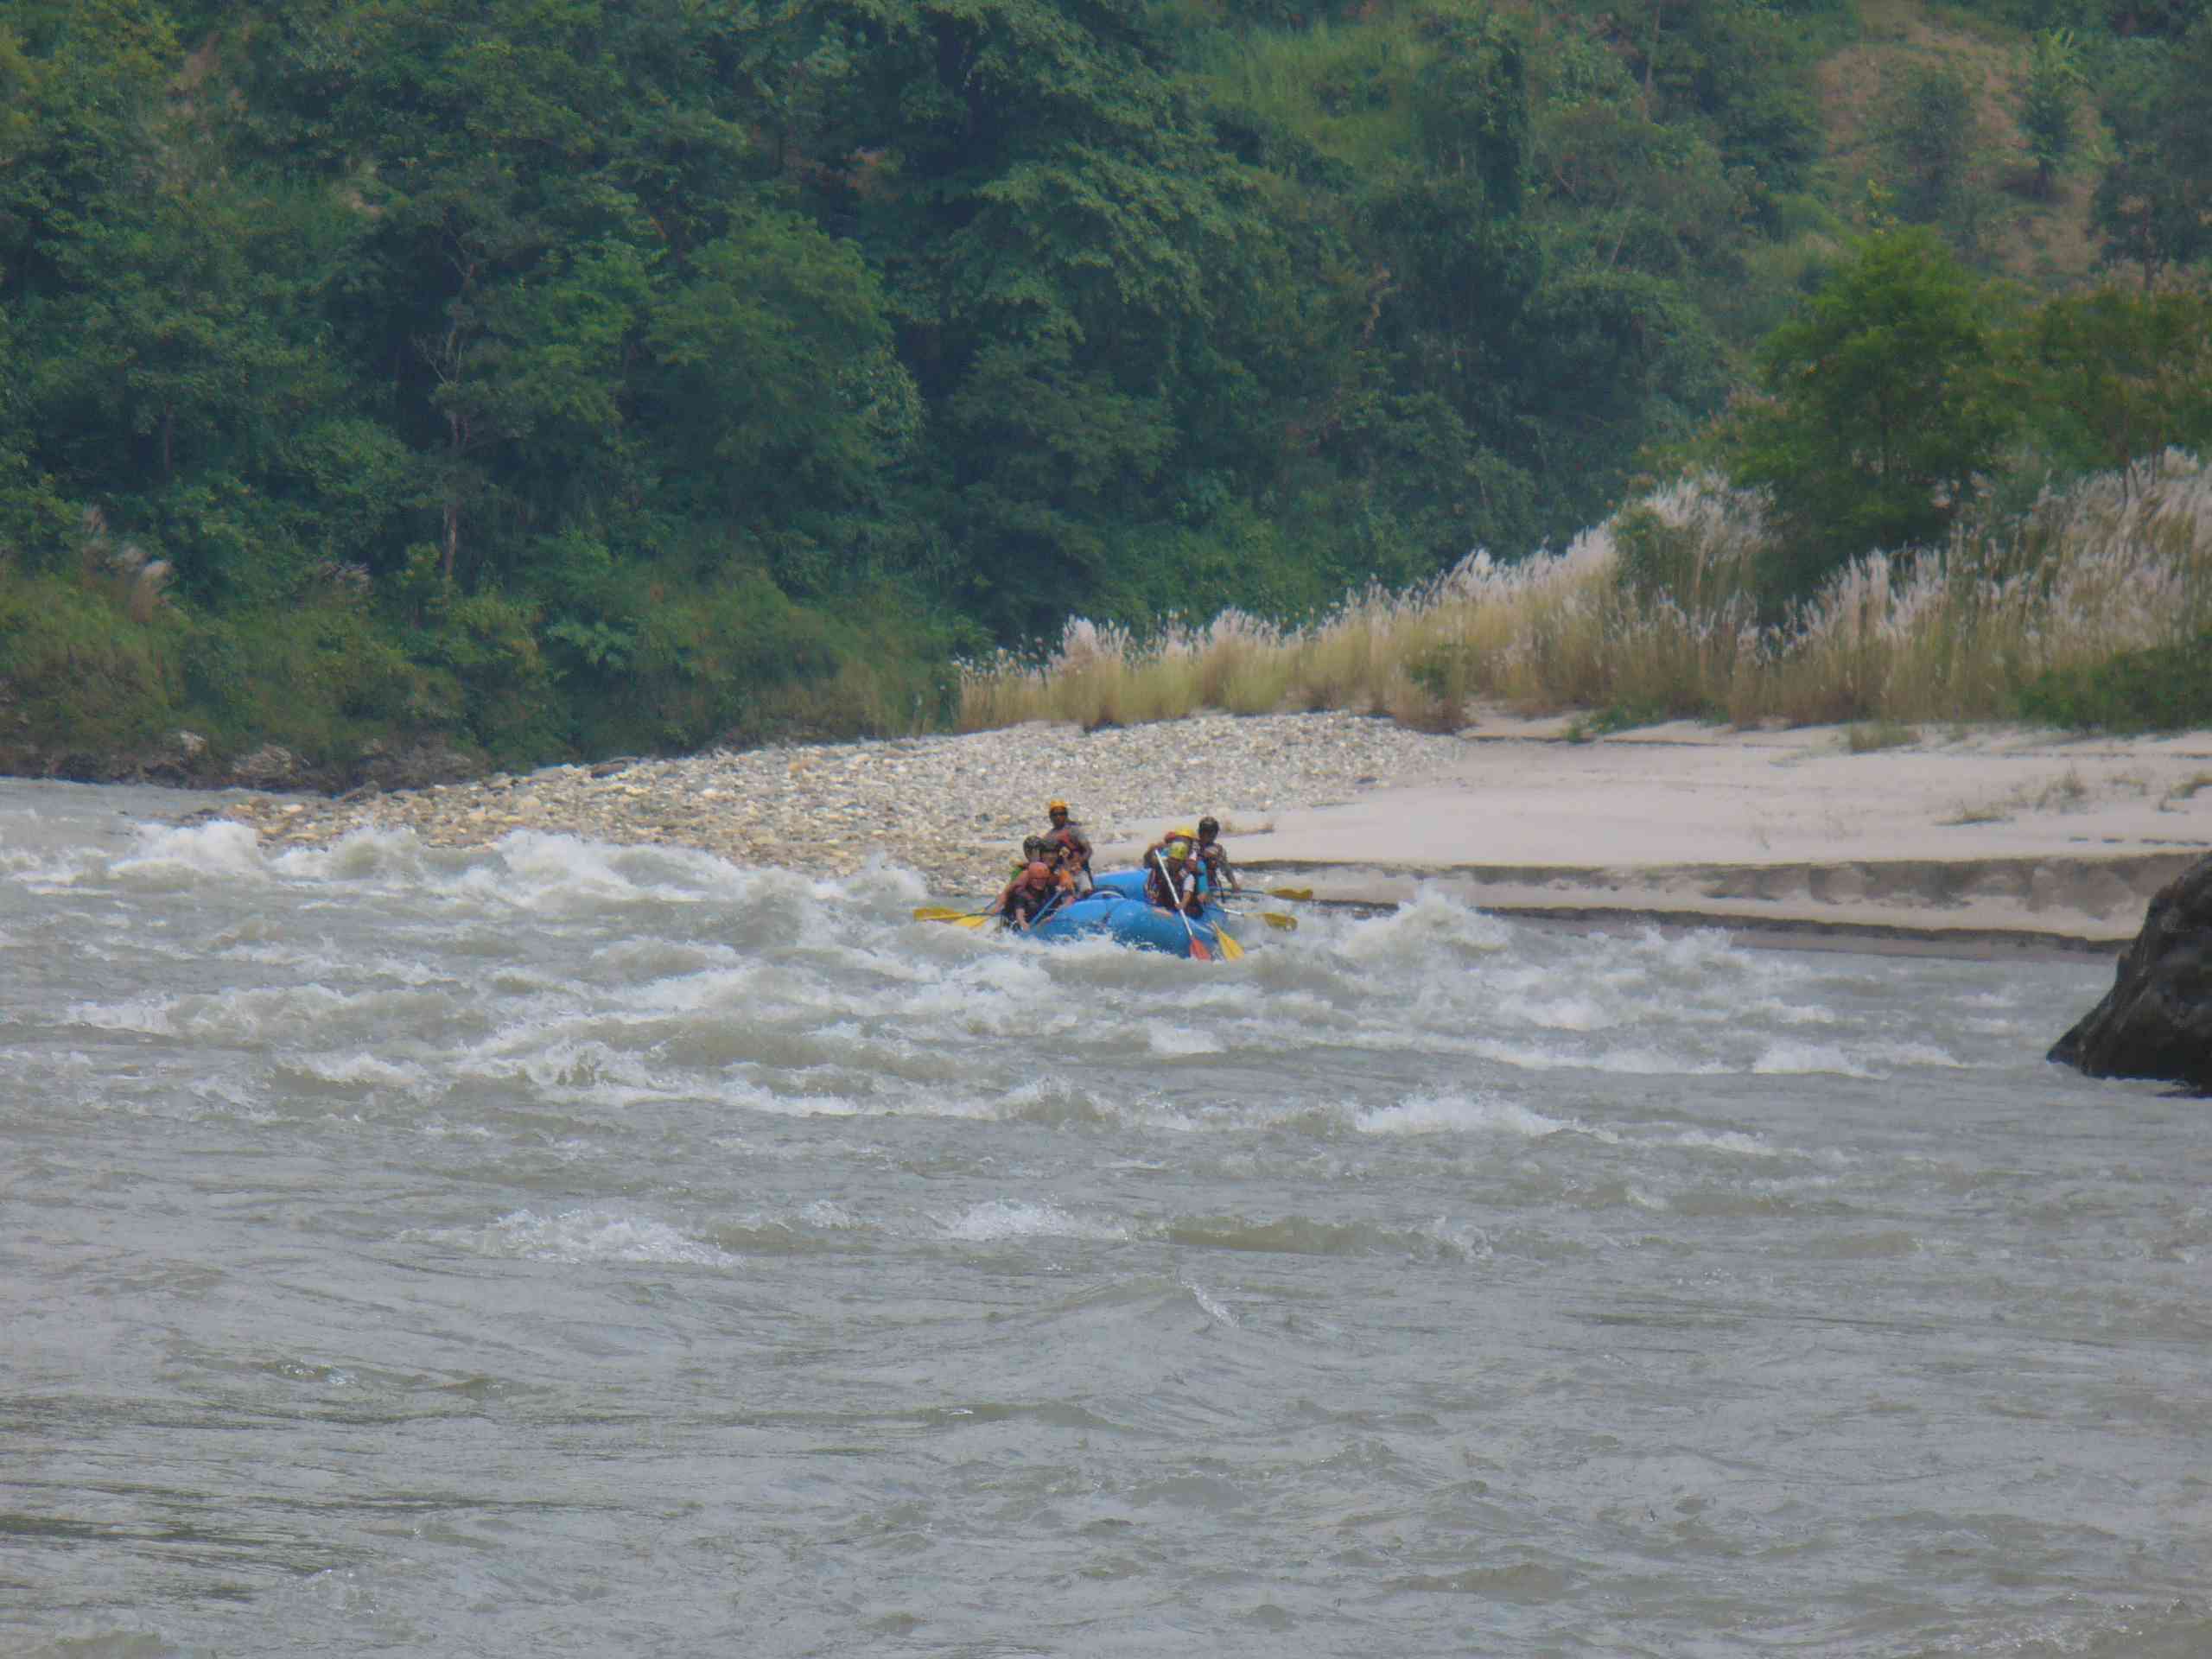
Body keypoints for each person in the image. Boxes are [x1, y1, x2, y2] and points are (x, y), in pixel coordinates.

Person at [995, 860, 1071, 930]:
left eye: (1043, 879)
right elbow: (1019, 915)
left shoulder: (1050, 889)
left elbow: (1069, 896)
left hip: (1039, 921)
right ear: (1030, 879)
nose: (1040, 882)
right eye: (1036, 879)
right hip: (1021, 925)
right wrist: (1023, 923)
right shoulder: (1021, 893)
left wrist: (1065, 904)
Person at [1042, 799, 1093, 893]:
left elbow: (1088, 850)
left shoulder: (1074, 830)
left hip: (1079, 870)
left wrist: (1079, 863)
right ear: (1050, 817)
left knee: (1084, 884)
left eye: (1061, 814)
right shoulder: (1048, 838)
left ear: (1066, 815)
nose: (1058, 817)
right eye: (1055, 815)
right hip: (1061, 873)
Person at [1143, 838, 1204, 917]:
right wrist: (1152, 849)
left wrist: (1183, 903)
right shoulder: (1163, 865)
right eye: (1172, 859)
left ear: (1183, 861)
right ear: (1169, 858)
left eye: (1178, 860)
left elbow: (1187, 893)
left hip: (1183, 908)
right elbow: (1147, 862)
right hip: (1167, 903)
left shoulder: (1188, 876)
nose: (1174, 862)